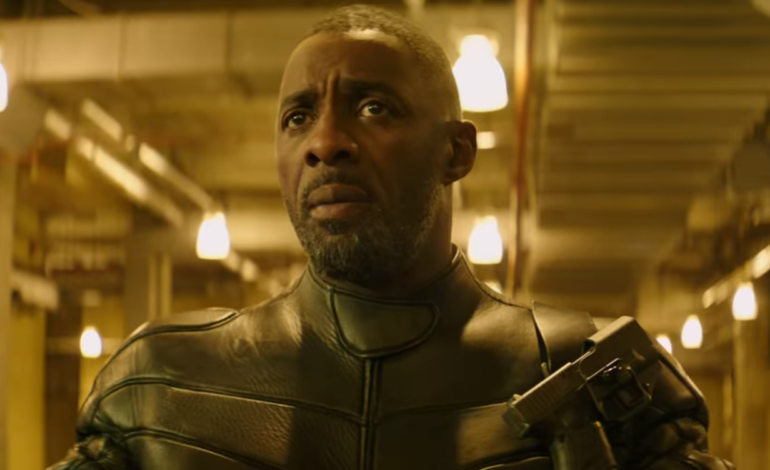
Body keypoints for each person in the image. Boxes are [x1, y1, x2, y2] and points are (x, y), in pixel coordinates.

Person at [50, 5, 735, 470]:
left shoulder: (605, 386)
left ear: (456, 152)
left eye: (375, 108)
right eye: (297, 117)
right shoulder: (160, 386)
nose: (325, 142)